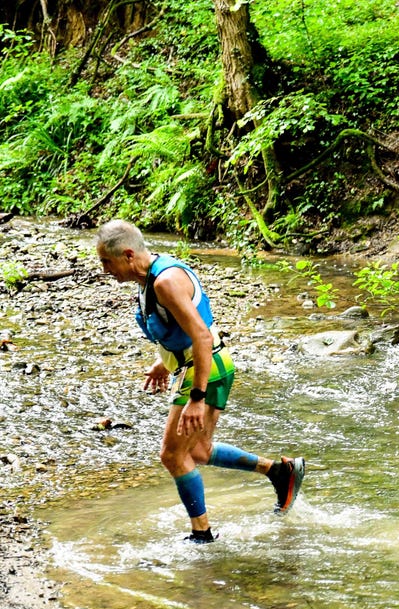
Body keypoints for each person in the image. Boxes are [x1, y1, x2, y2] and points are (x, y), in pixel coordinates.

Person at [95, 220, 304, 543]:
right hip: (202, 365)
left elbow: (202, 337)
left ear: (128, 254)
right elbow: (184, 331)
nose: (105, 270)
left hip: (205, 369)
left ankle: (202, 535)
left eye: (106, 262)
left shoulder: (165, 282)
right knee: (200, 451)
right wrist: (163, 363)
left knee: (172, 455)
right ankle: (279, 472)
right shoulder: (149, 279)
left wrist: (197, 397)